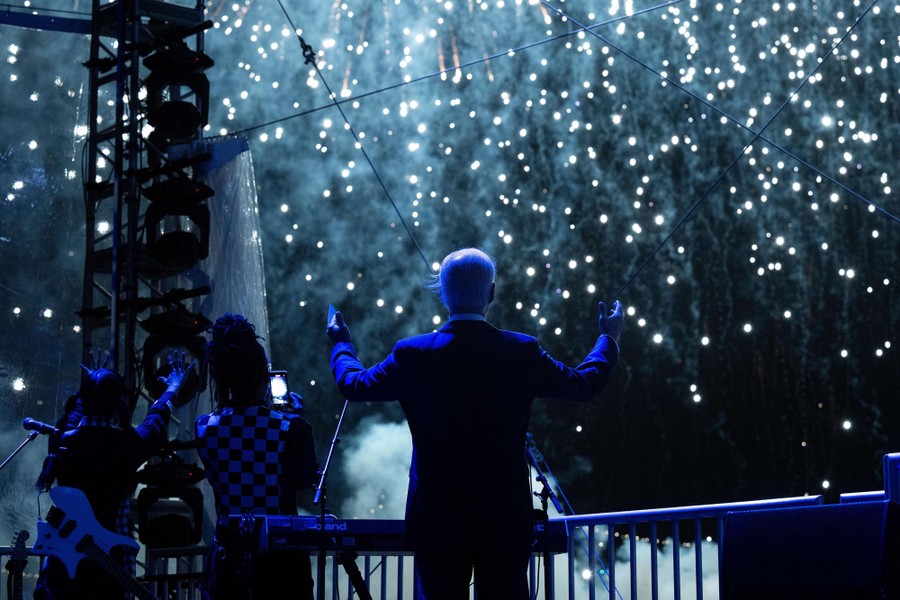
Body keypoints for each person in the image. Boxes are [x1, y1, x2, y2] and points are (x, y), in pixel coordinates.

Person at [327, 247, 624, 600]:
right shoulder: (521, 350)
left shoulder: (413, 353)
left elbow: (354, 386)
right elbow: (585, 384)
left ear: (443, 294)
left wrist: (342, 345)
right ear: (492, 293)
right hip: (503, 523)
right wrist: (608, 338)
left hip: (436, 523)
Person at [34, 351, 194, 600]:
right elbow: (156, 420)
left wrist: (88, 388)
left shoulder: (61, 440)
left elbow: (74, 416)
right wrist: (172, 388)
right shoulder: (126, 446)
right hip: (109, 565)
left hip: (63, 559)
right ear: (119, 405)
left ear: (84, 400)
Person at [194, 313, 318, 600]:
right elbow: (307, 480)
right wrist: (296, 419)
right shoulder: (290, 427)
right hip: (283, 562)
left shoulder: (205, 427)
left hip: (229, 559)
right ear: (264, 376)